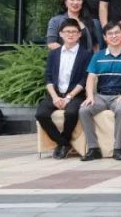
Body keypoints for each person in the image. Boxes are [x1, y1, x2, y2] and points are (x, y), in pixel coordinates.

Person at [36, 19, 91, 159]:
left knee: (71, 113)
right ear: (61, 34)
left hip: (76, 94)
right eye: (67, 31)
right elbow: (48, 77)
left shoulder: (86, 54)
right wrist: (55, 97)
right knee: (41, 114)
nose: (70, 34)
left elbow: (84, 79)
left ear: (79, 34)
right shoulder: (54, 54)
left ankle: (63, 142)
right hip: (55, 93)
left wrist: (68, 97)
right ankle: (63, 143)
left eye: (74, 32)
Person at [79, 23, 121, 161]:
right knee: (84, 110)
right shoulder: (98, 56)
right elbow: (91, 78)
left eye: (117, 33)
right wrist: (90, 96)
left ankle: (118, 149)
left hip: (120, 96)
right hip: (101, 96)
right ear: (104, 37)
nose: (114, 36)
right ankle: (93, 149)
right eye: (110, 34)